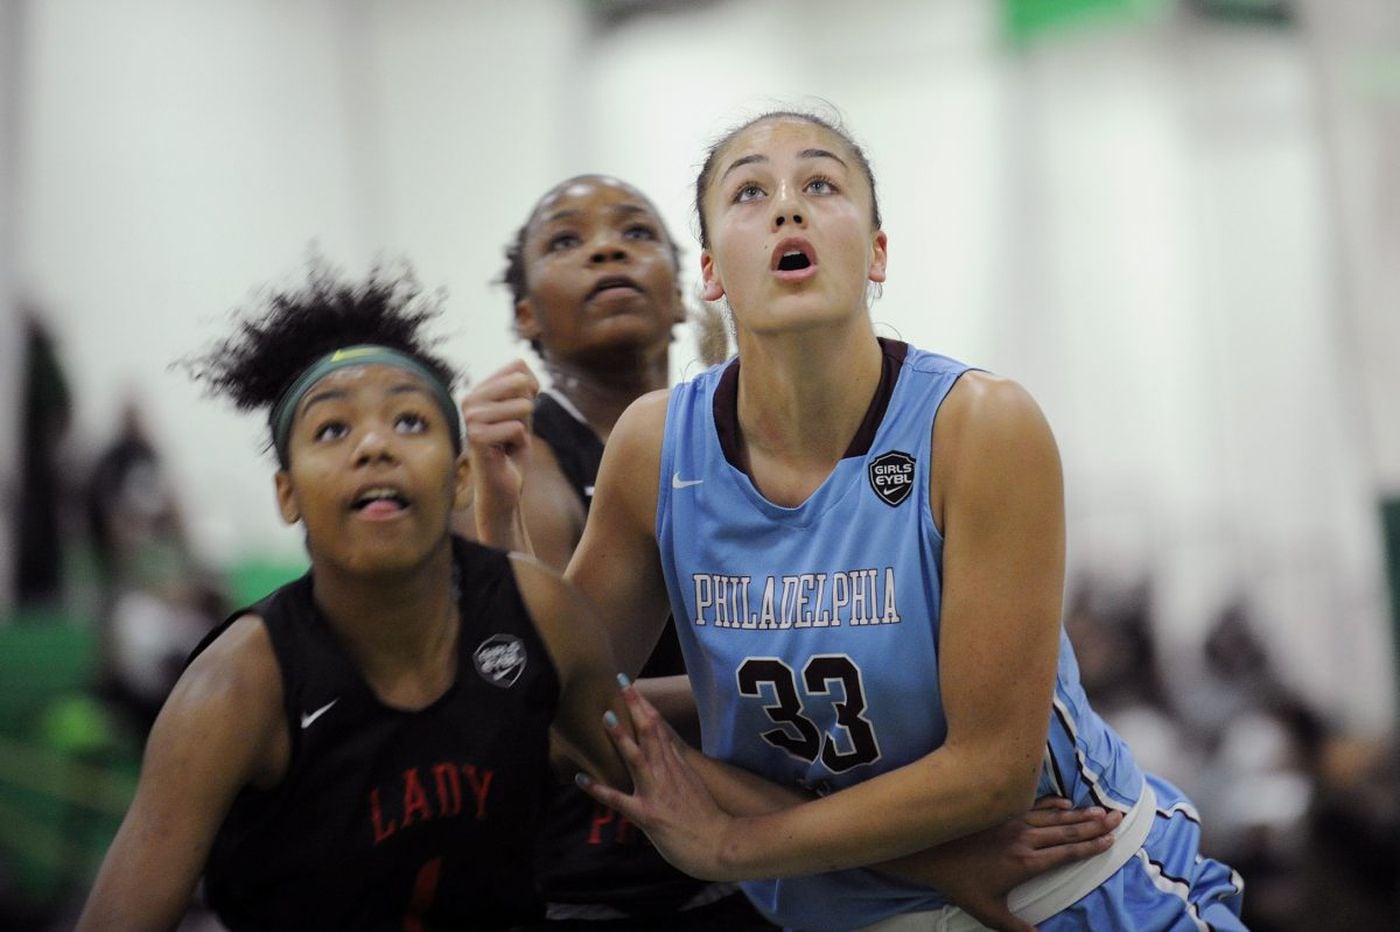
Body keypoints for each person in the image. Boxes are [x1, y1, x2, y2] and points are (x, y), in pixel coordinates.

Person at [471, 111, 1246, 931]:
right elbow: (564, 710)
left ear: (876, 254)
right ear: (711, 273)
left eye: (820, 183)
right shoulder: (655, 446)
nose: (787, 206)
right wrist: (496, 514)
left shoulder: (982, 424)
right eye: (749, 192)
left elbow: (990, 776)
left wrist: (733, 844)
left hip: (1066, 894)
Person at [75, 264, 636, 931]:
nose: (374, 445)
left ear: (460, 475)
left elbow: (652, 791)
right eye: (333, 430)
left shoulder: (540, 610)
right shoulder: (234, 688)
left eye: (409, 420)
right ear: (287, 493)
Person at [456, 173, 772, 927]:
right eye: (567, 240)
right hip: (600, 883)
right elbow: (556, 706)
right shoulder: (518, 461)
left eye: (635, 233)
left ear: (681, 296)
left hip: (764, 857)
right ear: (527, 316)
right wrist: (760, 689)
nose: (606, 250)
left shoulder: (737, 430)